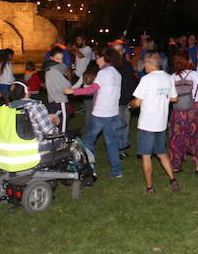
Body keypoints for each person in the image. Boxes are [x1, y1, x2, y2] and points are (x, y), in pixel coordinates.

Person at [65, 48, 124, 178]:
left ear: (104, 58)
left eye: (98, 57)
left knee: (88, 141)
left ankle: (91, 169)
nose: (96, 59)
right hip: (112, 113)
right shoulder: (117, 74)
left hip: (100, 114)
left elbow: (91, 89)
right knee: (111, 143)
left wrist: (73, 91)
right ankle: (117, 171)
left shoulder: (103, 73)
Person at [129, 52, 180, 194]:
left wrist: (130, 105)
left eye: (145, 62)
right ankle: (172, 179)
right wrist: (162, 96)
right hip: (161, 124)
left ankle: (149, 187)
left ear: (151, 63)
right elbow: (174, 99)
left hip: (147, 124)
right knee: (161, 153)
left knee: (146, 155)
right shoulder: (168, 77)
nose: (143, 65)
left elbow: (137, 102)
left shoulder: (146, 79)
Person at [168, 50, 198, 174]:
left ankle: (176, 165)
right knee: (197, 136)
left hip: (178, 110)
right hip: (195, 108)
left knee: (177, 136)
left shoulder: (172, 77)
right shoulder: (195, 75)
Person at [112, 41, 138, 158]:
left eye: (120, 50)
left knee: (125, 125)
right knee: (117, 126)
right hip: (115, 101)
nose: (118, 52)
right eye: (115, 50)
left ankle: (122, 147)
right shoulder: (110, 66)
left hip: (127, 100)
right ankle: (116, 150)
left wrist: (135, 95)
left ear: (123, 51)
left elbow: (131, 81)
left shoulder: (127, 65)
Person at [44, 46, 71, 131]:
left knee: (56, 127)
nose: (60, 61)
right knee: (60, 127)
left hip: (55, 101)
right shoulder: (54, 71)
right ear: (51, 58)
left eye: (61, 59)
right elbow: (68, 85)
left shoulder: (52, 70)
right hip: (58, 102)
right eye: (57, 59)